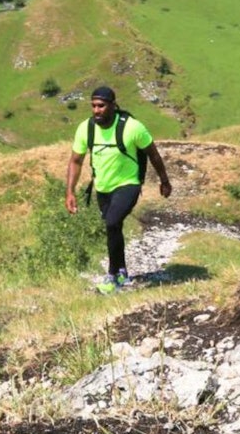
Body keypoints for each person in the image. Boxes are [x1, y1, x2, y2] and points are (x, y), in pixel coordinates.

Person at [64, 85, 172, 293]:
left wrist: (164, 181)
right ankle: (122, 270)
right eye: (93, 106)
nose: (96, 110)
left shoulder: (132, 127)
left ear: (113, 106)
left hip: (128, 184)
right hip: (103, 187)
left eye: (101, 106)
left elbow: (153, 154)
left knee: (112, 222)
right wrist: (70, 192)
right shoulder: (86, 129)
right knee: (114, 227)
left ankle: (112, 276)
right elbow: (76, 161)